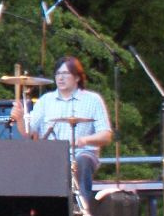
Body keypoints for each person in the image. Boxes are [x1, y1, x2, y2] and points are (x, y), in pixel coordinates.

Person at [10, 56, 113, 205]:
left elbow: (106, 135)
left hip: (82, 153)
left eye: (65, 74)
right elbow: (28, 132)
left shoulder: (93, 100)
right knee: (24, 161)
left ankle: (82, 212)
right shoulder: (46, 100)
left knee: (82, 161)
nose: (61, 78)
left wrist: (85, 140)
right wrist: (19, 119)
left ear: (77, 77)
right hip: (50, 154)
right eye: (58, 74)